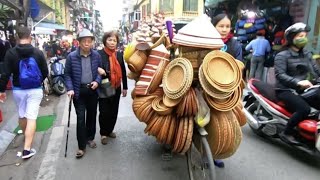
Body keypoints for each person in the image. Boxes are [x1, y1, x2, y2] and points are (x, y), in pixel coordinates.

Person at [0, 26, 48, 159]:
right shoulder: (37, 52)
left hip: (18, 89)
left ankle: (24, 132)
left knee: (22, 114)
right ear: (30, 37)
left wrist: (2, 90)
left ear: (17, 38)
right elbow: (45, 71)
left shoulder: (10, 53)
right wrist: (38, 81)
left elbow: (5, 73)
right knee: (32, 117)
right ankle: (27, 150)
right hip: (35, 89)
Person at [274, 22, 320, 145]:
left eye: (304, 36)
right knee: (304, 109)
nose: (303, 38)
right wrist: (298, 82)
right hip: (284, 90)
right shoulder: (282, 55)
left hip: (303, 89)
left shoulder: (307, 54)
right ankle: (287, 132)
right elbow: (280, 75)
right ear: (291, 38)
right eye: (300, 36)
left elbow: (315, 70)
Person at [64, 29, 102, 158]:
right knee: (81, 118)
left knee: (92, 115)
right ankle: (81, 146)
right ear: (79, 43)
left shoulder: (96, 55)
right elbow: (67, 74)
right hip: (78, 92)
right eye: (84, 41)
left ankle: (90, 138)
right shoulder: (71, 57)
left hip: (92, 90)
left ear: (92, 42)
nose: (87, 43)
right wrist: (69, 88)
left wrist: (97, 81)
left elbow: (100, 72)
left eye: (89, 41)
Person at [211, 13, 243, 168]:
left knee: (220, 124)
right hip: (206, 85)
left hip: (226, 88)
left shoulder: (235, 45)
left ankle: (214, 152)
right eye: (221, 26)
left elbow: (239, 65)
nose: (224, 29)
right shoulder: (207, 41)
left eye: (227, 26)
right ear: (214, 26)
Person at [97, 31, 128, 145]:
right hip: (105, 86)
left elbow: (123, 71)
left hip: (116, 86)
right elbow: (94, 67)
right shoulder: (99, 54)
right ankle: (103, 133)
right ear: (105, 41)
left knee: (114, 110)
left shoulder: (119, 54)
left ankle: (110, 130)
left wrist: (125, 87)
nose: (112, 42)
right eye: (110, 40)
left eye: (114, 40)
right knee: (104, 111)